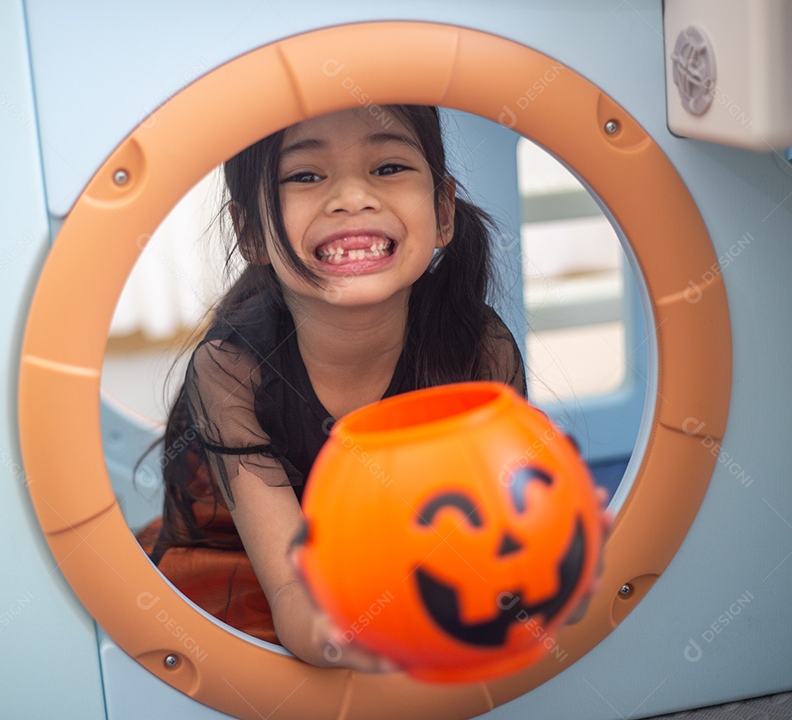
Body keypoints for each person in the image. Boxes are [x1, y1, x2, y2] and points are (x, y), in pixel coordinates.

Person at [135, 104, 527, 671]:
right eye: (305, 175)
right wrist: (342, 633)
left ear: (443, 210)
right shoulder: (230, 371)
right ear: (252, 233)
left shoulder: (477, 347)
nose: (351, 198)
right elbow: (293, 590)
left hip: (399, 550)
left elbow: (496, 529)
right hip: (251, 556)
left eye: (388, 167)